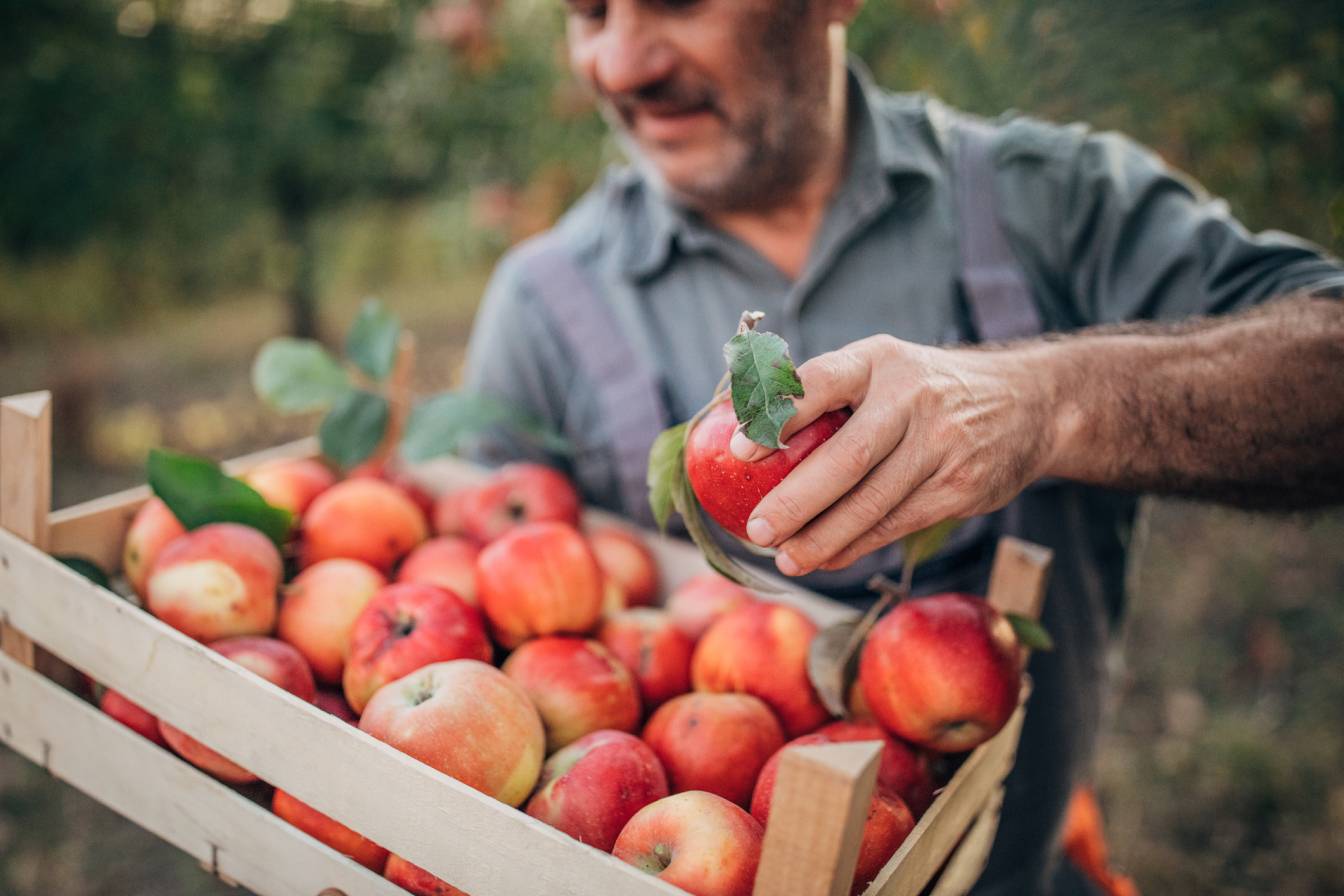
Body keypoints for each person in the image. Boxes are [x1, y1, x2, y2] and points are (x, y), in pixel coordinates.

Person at [462, 1, 1344, 892]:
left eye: (677, 3)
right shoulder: (544, 307)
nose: (618, 64)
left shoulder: (1055, 203)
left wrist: (1050, 400)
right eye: (586, 13)